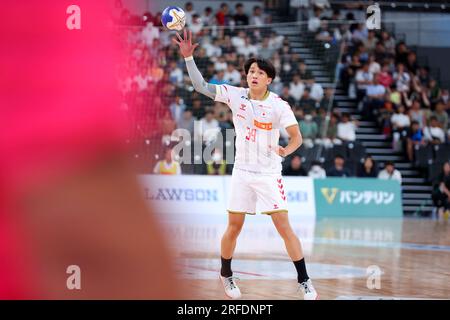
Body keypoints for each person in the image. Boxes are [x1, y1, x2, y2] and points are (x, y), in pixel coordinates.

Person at [172, 30, 318, 300]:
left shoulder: (279, 105)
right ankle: (226, 274)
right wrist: (189, 58)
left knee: (284, 227)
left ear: (269, 79)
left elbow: (297, 136)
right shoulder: (235, 95)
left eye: (260, 72)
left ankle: (304, 280)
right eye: (251, 70)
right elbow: (201, 87)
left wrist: (286, 149)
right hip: (242, 172)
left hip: (269, 173)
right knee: (234, 227)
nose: (254, 75)